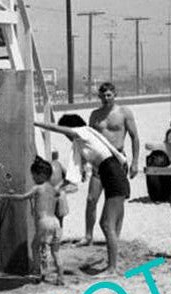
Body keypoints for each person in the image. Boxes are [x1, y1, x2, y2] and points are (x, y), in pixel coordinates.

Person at [34, 113, 130, 274]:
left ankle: (112, 268)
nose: (68, 138)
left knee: (107, 224)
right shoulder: (87, 138)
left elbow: (55, 128)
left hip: (113, 176)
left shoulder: (82, 131)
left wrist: (35, 123)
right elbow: (77, 172)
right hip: (112, 175)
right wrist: (60, 186)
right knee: (107, 224)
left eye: (67, 134)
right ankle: (112, 264)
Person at [81, 82, 140, 246]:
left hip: (117, 159)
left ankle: (115, 235)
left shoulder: (124, 112)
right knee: (91, 198)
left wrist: (135, 162)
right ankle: (88, 236)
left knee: (116, 199)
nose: (106, 99)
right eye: (103, 96)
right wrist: (84, 164)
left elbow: (134, 137)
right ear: (99, 97)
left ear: (115, 95)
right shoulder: (95, 115)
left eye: (109, 95)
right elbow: (87, 140)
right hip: (99, 161)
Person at [0, 156, 65, 283]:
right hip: (55, 222)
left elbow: (23, 197)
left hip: (44, 222)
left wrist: (6, 196)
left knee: (35, 246)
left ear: (41, 175)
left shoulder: (37, 188)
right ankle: (60, 277)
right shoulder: (53, 189)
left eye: (34, 176)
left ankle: (36, 271)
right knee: (55, 251)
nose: (33, 179)